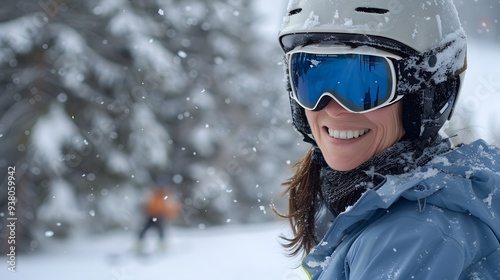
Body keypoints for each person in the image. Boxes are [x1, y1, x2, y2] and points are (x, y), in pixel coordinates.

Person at [277, 0, 500, 279]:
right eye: (312, 77)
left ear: (427, 97)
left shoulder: (414, 237)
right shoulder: (373, 209)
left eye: (366, 83)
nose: (332, 107)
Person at [137, 187, 180, 253]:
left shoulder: (165, 199)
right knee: (143, 231)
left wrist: (165, 214)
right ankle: (139, 246)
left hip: (159, 218)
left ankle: (163, 247)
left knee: (161, 233)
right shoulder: (153, 197)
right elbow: (147, 206)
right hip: (151, 217)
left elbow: (170, 209)